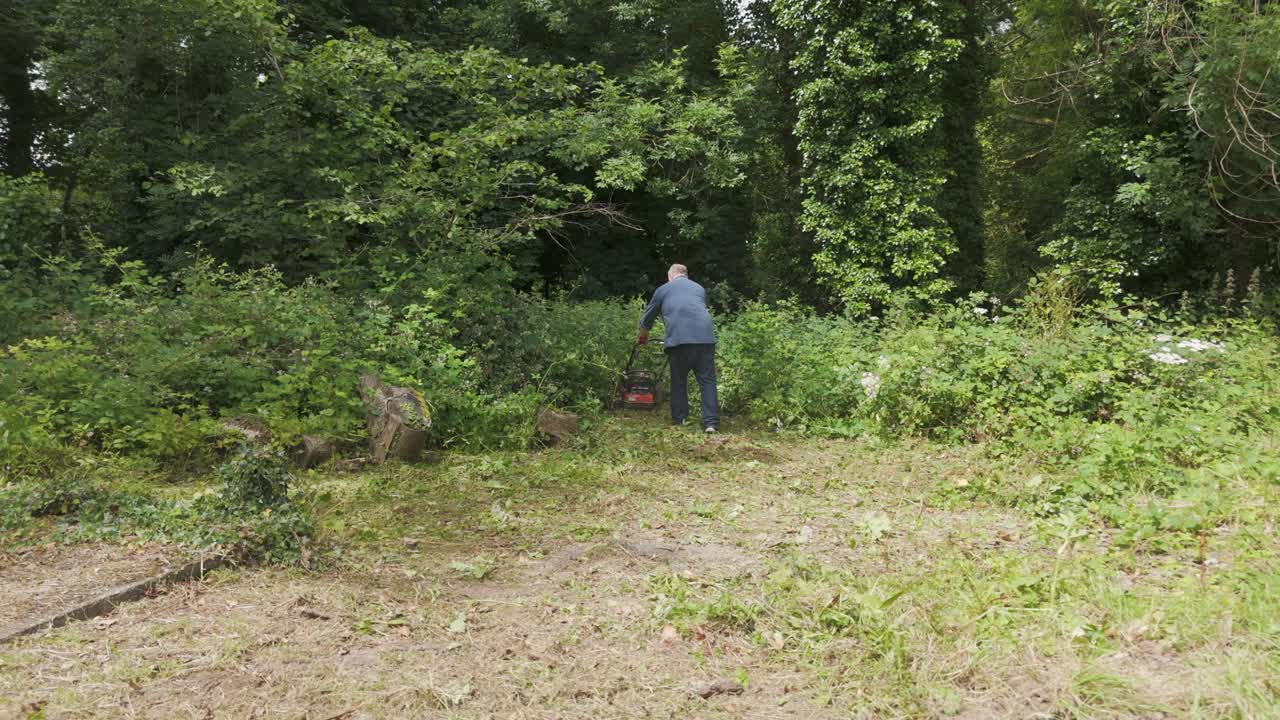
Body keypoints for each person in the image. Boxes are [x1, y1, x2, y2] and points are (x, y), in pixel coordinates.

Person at [637, 263, 719, 432]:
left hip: (680, 340)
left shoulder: (663, 290)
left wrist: (643, 336)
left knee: (679, 381)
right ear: (686, 275)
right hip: (705, 339)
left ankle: (681, 420)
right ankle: (710, 423)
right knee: (707, 381)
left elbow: (648, 318)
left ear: (670, 276)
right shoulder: (699, 288)